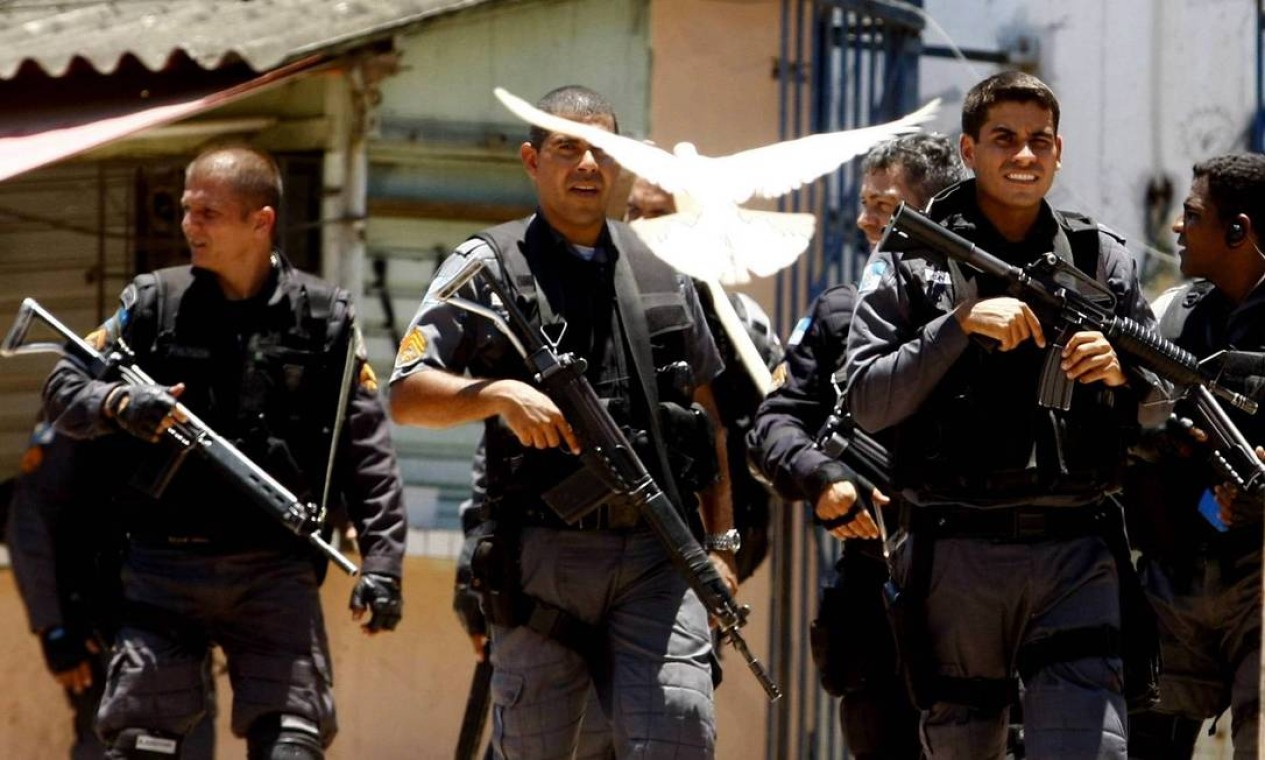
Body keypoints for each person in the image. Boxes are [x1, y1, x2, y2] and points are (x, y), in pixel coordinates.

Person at [390, 85, 733, 759]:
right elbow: (406, 392)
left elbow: (708, 419)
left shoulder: (665, 270)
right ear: (531, 160)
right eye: (565, 148)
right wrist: (496, 394)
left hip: (657, 557)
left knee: (678, 735)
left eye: (599, 150)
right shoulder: (487, 265)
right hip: (542, 561)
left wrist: (721, 542)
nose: (585, 166)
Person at [41, 145, 408, 760]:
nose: (189, 226)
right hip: (162, 568)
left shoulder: (324, 320)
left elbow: (366, 450)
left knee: (293, 744)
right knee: (142, 745)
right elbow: (62, 387)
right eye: (186, 210)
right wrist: (119, 406)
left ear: (259, 221)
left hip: (274, 572)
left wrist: (383, 565)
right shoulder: (154, 304)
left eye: (207, 213)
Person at [844, 71, 1167, 758]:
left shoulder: (1099, 257)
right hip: (954, 549)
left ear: (1058, 151)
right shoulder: (909, 255)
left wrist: (1121, 370)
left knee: (1090, 745)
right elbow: (866, 399)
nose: (1023, 156)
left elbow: (1166, 398)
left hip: (1074, 546)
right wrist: (957, 326)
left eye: (1038, 141)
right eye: (1003, 140)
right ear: (968, 150)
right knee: (963, 741)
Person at [748, 133, 964, 760]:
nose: (866, 219)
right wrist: (821, 475)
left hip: (979, 575)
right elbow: (776, 422)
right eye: (864, 202)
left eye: (884, 204)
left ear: (937, 209)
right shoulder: (839, 314)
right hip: (877, 590)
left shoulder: (990, 310)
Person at [1124, 153, 1265, 759]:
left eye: (1193, 215)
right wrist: (1154, 438)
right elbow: (1121, 425)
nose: (1178, 229)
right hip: (1175, 575)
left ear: (1238, 231)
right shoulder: (1174, 315)